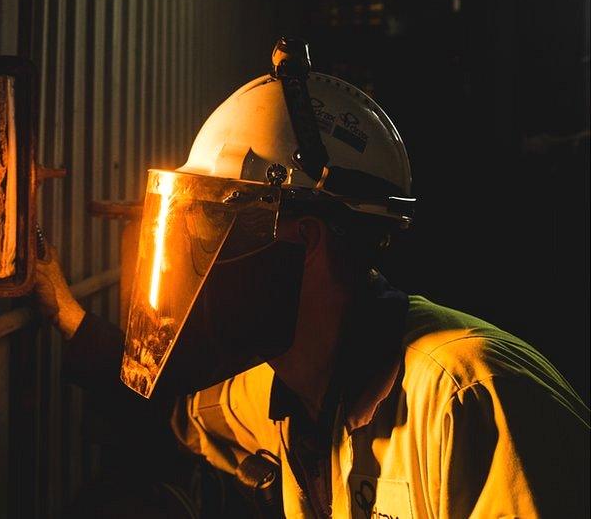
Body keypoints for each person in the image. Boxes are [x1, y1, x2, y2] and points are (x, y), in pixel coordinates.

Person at [33, 38, 590, 518]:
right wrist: (64, 312)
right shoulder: (287, 381)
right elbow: (175, 409)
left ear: (304, 239)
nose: (194, 257)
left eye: (214, 226)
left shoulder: (472, 397)